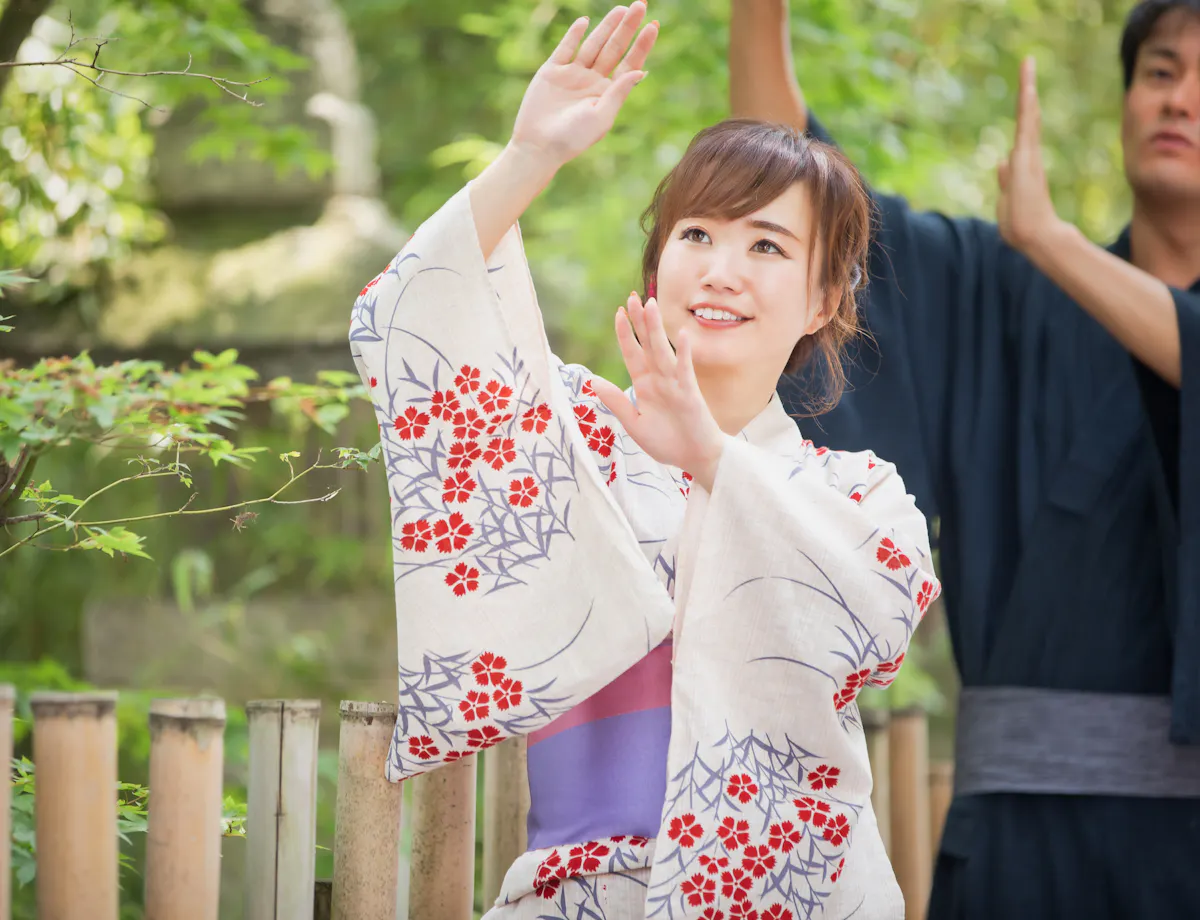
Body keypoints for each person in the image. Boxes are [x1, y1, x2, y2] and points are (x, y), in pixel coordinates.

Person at [350, 4, 939, 917]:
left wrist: (707, 455)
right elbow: (406, 331)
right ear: (657, 260)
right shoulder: (579, 429)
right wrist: (530, 156)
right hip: (577, 892)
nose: (720, 270)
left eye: (767, 246)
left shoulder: (855, 493)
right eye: (696, 235)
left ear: (826, 296)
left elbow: (878, 621)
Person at [729, 0, 1200, 917]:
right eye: (1160, 71)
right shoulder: (1005, 292)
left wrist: (1053, 239)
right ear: (1125, 101)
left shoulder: (1039, 250)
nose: (1179, 98)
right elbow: (787, 193)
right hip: (1020, 850)